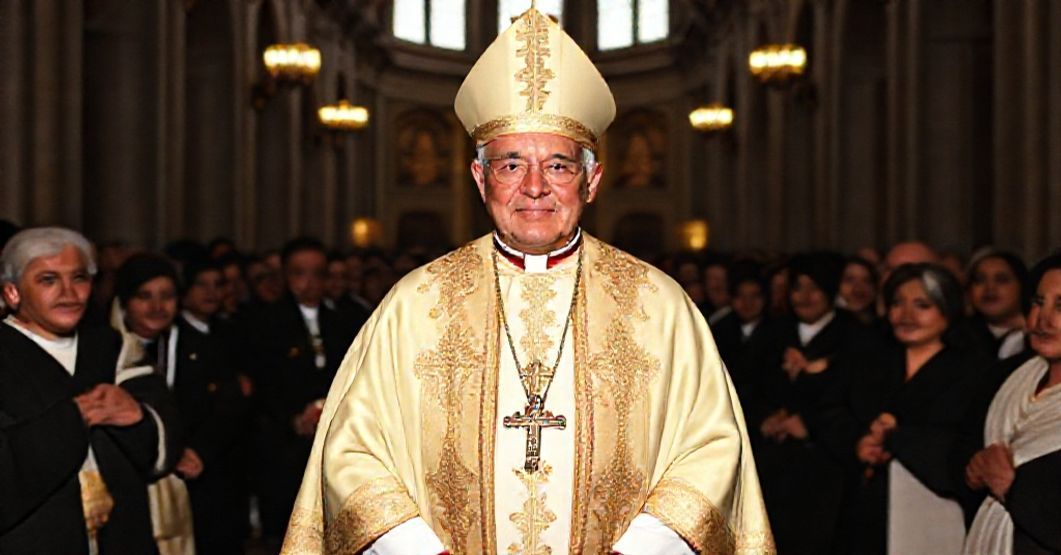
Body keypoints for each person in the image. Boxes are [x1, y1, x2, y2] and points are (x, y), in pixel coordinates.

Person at [280, 8, 773, 554]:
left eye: (559, 166)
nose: (534, 187)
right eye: (511, 164)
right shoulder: (413, 306)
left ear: (593, 180)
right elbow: (352, 450)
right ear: (479, 177)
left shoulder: (660, 307)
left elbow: (710, 446)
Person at [0, 227, 177, 553]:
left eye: (79, 278)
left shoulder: (112, 347)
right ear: (12, 293)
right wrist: (73, 418)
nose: (69, 293)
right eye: (48, 280)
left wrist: (138, 417)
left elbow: (166, 434)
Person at [816, 263, 985, 554]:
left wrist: (896, 438)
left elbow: (965, 439)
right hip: (863, 509)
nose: (906, 316)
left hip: (932, 509)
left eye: (922, 305)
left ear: (948, 308)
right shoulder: (870, 358)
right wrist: (858, 442)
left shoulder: (973, 369)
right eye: (897, 304)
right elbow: (829, 410)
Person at [249, 237, 360, 546]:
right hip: (284, 446)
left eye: (317, 273)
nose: (309, 283)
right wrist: (292, 419)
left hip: (331, 442)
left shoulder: (343, 320)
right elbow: (262, 385)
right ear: (286, 276)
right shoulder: (265, 322)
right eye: (300, 273)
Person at [962, 254, 1061, 554]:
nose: (1042, 319)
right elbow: (961, 452)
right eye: (1037, 302)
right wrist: (972, 469)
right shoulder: (1007, 377)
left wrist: (1011, 486)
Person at [966, 250, 1030, 361]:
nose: (990, 288)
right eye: (980, 280)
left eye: (1001, 280)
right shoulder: (958, 339)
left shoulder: (1040, 335)